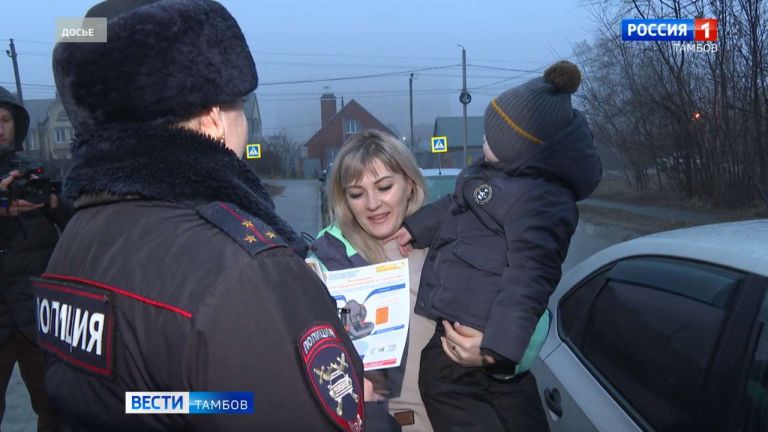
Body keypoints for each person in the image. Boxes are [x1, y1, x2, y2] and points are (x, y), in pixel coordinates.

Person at [41, 1, 396, 430]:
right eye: (240, 103)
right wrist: (365, 411)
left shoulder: (75, 237)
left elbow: (163, 402)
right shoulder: (243, 269)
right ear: (212, 120)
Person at [388, 61, 603, 431]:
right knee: (506, 400)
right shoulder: (493, 176)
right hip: (470, 326)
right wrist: (415, 227)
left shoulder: (539, 200)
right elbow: (453, 205)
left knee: (443, 383)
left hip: (477, 330)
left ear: (520, 147)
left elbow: (530, 277)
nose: (483, 142)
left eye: (492, 137)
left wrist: (496, 348)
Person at [310, 130, 435, 431]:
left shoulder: (446, 244)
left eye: (384, 187)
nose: (372, 203)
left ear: (410, 185)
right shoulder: (326, 261)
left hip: (453, 417)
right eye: (357, 193)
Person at [0, 85, 70, 431]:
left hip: (36, 315)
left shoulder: (38, 172)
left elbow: (75, 228)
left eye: (4, 120)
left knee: (56, 410)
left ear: (17, 124)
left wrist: (55, 203)